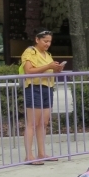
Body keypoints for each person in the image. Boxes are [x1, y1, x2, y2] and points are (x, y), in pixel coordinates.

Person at [20, 30, 64, 164]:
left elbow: (48, 69)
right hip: (34, 88)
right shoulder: (30, 52)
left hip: (47, 88)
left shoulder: (48, 55)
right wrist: (48, 66)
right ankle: (29, 155)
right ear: (37, 39)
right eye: (45, 41)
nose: (47, 44)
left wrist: (56, 69)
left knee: (43, 123)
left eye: (49, 41)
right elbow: (29, 71)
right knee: (32, 123)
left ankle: (41, 153)